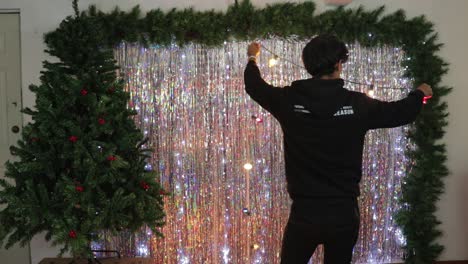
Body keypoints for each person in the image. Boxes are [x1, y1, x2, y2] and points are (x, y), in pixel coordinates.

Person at [243, 34, 432, 264]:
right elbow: (401, 112)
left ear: (308, 64)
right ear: (338, 64)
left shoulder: (288, 100)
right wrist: (420, 93)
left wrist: (253, 57)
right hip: (343, 215)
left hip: (305, 215)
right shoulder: (358, 104)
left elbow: (254, 86)